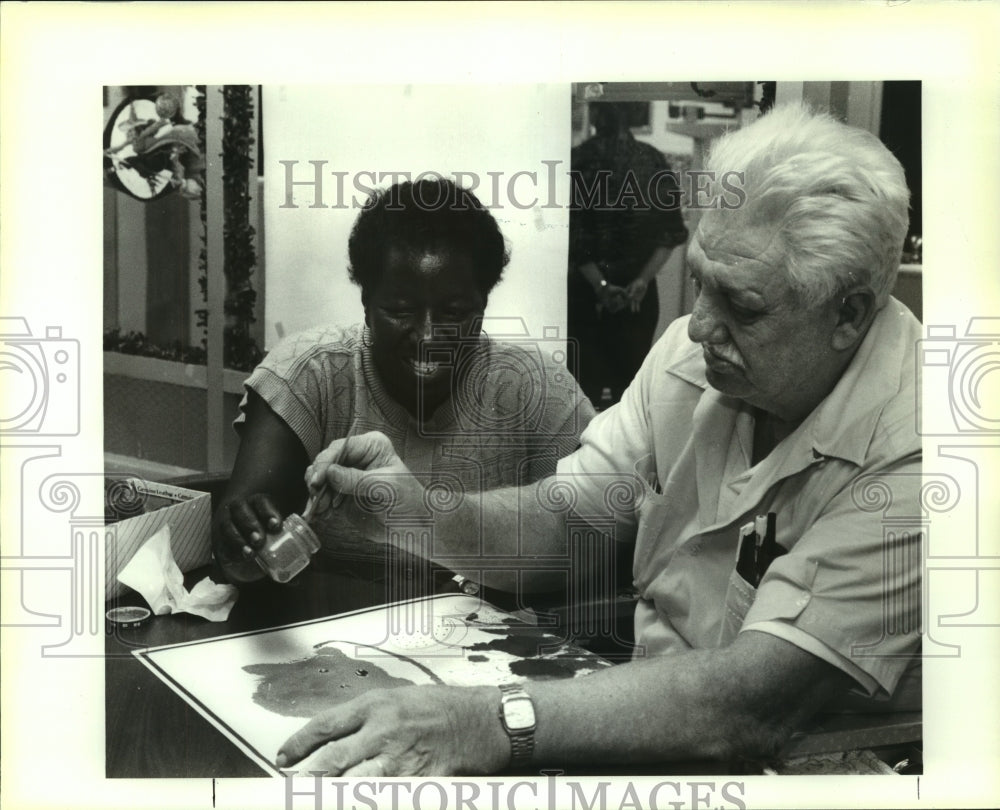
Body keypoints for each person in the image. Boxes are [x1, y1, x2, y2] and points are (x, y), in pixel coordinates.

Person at [275, 103, 922, 775]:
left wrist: (490, 721)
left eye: (742, 306)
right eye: (699, 283)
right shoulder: (689, 359)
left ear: (847, 314)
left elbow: (754, 704)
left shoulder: (923, 451)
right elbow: (566, 518)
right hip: (660, 731)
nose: (698, 327)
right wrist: (423, 514)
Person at [212, 178, 595, 586]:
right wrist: (240, 543)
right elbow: (243, 548)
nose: (428, 336)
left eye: (454, 311)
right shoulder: (309, 373)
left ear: (483, 305)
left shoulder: (536, 389)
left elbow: (595, 541)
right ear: (365, 303)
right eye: (399, 309)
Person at [568, 101, 689, 406]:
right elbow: (672, 232)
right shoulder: (651, 159)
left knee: (582, 395)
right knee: (631, 398)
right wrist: (642, 281)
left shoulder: (579, 159)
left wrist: (601, 286)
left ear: (595, 115)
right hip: (638, 298)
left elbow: (572, 235)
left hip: (586, 296)